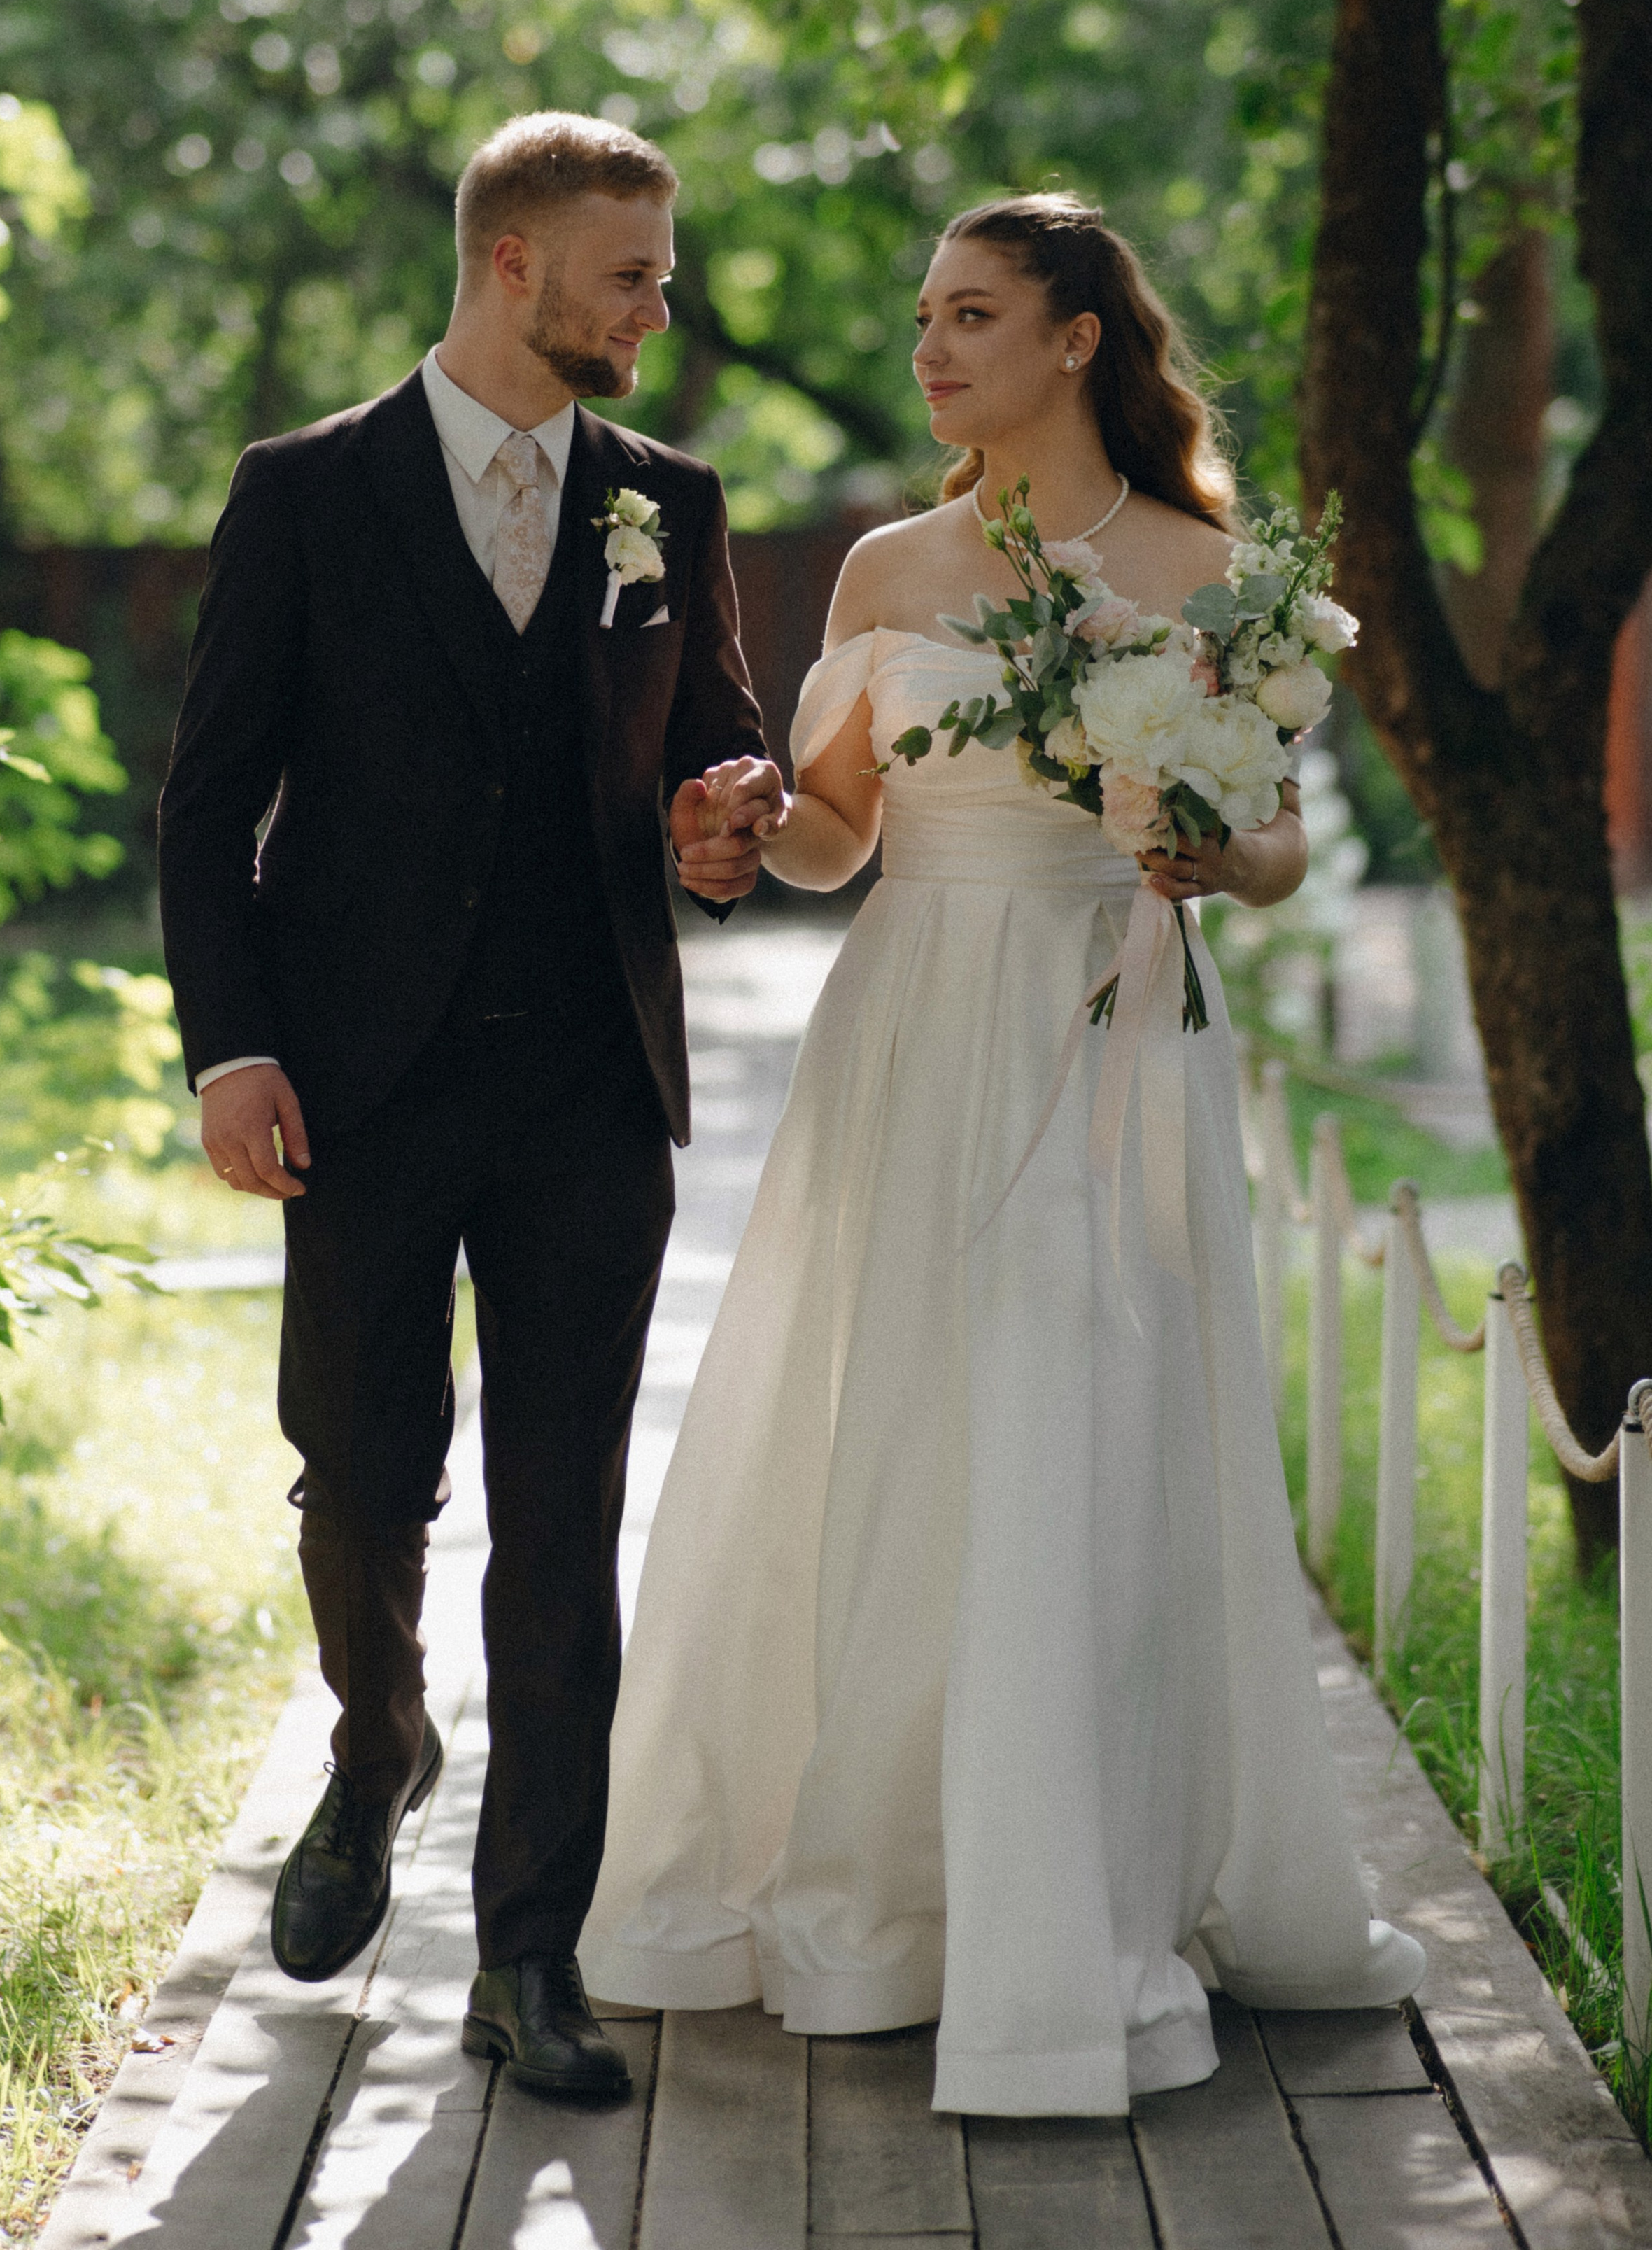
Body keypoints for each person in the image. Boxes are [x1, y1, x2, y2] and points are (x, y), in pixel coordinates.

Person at [579, 191, 1424, 2117]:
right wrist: (742, 829)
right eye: (923, 318)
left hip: (1113, 1021)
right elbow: (835, 839)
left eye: (971, 314)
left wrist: (1213, 854)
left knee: (1086, 1434)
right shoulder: (888, 567)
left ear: (1076, 338)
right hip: (912, 1029)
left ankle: (1081, 1904)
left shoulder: (1215, 569)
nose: (930, 350)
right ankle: (890, 1901)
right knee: (910, 1432)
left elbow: (1281, 841)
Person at [157, 111, 783, 2100]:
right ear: (515, 263)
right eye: (633, 274)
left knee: (564, 1514)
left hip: (591, 1081)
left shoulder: (667, 501)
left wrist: (728, 821)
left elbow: (718, 751)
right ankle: (378, 1743)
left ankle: (530, 1958)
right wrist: (232, 1051)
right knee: (359, 1471)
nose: (661, 307)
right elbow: (207, 805)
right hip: (358, 1083)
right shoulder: (305, 491)